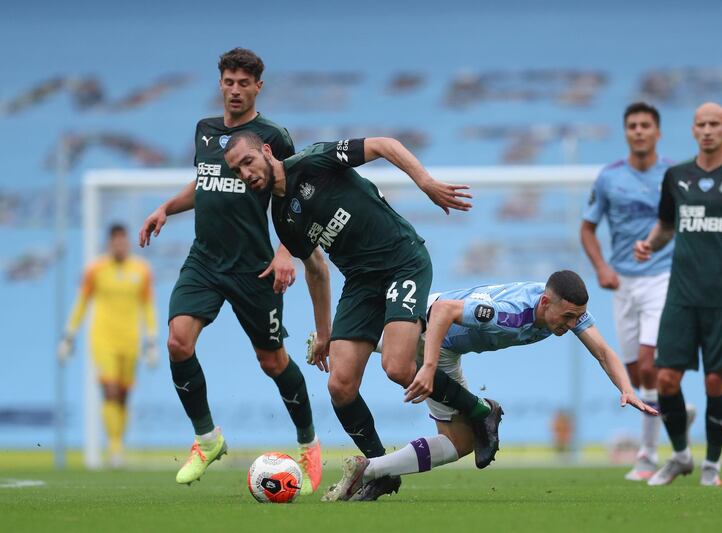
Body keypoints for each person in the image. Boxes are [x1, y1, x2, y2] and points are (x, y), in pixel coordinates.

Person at [223, 131, 503, 501]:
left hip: (401, 261)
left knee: (398, 367)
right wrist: (323, 333)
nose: (246, 173)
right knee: (339, 385)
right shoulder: (281, 218)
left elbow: (383, 144)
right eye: (237, 171)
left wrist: (426, 183)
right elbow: (317, 269)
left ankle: (482, 411)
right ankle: (379, 470)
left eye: (248, 162)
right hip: (360, 282)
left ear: (268, 152)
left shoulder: (314, 161)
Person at [138, 48, 327, 493]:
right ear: (220, 83)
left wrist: (285, 250)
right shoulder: (205, 131)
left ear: (258, 86)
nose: (235, 90)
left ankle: (309, 444)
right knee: (177, 341)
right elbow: (207, 183)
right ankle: (207, 439)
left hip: (254, 267)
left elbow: (297, 197)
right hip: (204, 260)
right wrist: (167, 206)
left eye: (244, 83)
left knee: (272, 360)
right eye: (229, 82)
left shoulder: (273, 136)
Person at [324, 271, 658, 501]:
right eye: (568, 317)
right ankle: (480, 410)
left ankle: (369, 469)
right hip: (425, 328)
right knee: (377, 364)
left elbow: (603, 351)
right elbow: (442, 311)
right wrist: (427, 366)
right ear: (545, 302)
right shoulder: (510, 313)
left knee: (459, 442)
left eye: (577, 317)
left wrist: (625, 388)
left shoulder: (564, 309)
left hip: (445, 348)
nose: (573, 324)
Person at [634, 102, 722, 487]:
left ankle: (712, 464)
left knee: (716, 382)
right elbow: (665, 227)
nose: (708, 129)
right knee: (665, 379)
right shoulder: (676, 176)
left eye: (715, 123)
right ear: (693, 130)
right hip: (681, 294)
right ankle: (680, 455)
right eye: (701, 124)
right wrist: (649, 244)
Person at [581, 102, 682, 480]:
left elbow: (684, 224)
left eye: (645, 125)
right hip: (622, 282)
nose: (639, 131)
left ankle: (647, 454)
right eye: (633, 126)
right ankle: (671, 407)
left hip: (662, 276)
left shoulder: (674, 175)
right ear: (626, 132)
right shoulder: (609, 178)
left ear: (657, 131)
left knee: (648, 362)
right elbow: (587, 229)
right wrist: (602, 268)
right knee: (635, 373)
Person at [58, 224, 157, 467]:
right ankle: (114, 448)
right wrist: (69, 336)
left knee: (123, 396)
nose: (119, 246)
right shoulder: (96, 269)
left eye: (123, 241)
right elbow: (82, 302)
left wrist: (152, 341)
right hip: (103, 339)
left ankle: (117, 444)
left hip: (130, 340)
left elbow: (147, 306)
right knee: (110, 390)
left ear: (127, 243)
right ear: (109, 243)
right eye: (115, 242)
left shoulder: (141, 270)